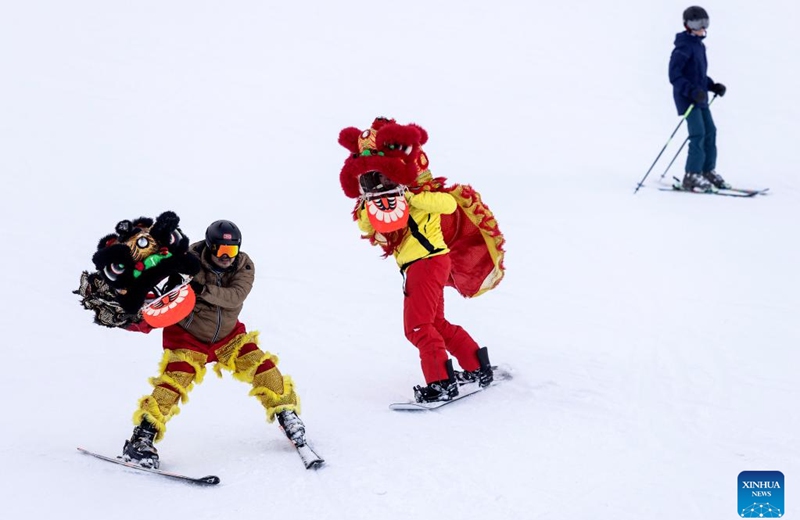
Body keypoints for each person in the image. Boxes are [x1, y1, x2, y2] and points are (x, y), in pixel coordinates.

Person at [122, 219, 304, 469]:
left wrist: (201, 289)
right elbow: (160, 285)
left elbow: (235, 296)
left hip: (229, 338)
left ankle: (287, 415)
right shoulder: (189, 261)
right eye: (221, 250)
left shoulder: (244, 265)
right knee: (173, 383)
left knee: (264, 368)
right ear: (210, 246)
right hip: (188, 337)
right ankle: (142, 437)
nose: (226, 256)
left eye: (232, 250)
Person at [669, 6, 730, 192]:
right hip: (687, 99)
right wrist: (691, 91)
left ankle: (706, 171)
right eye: (697, 23)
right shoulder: (683, 47)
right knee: (698, 134)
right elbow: (674, 75)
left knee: (710, 131)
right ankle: (692, 175)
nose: (702, 27)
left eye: (704, 23)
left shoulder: (699, 46)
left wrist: (712, 86)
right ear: (687, 25)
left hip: (700, 97)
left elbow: (699, 76)